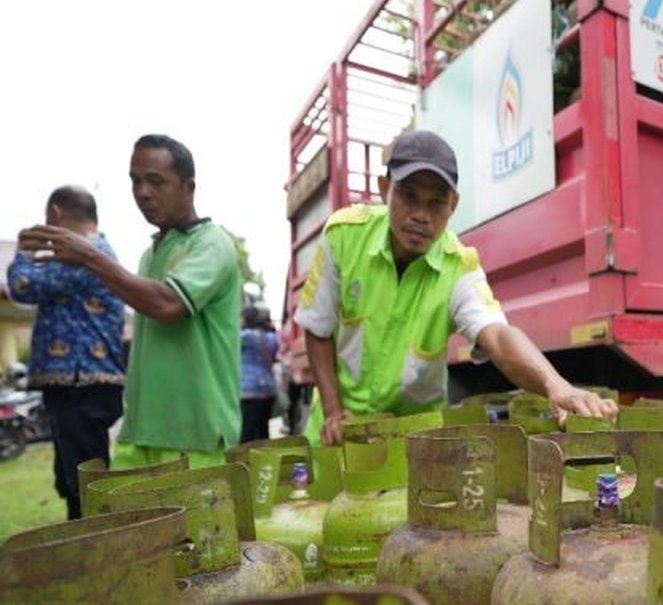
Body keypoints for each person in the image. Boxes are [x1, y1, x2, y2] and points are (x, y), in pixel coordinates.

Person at [295, 130, 616, 445]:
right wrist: (335, 411)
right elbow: (318, 328)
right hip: (337, 437)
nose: (421, 215)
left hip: (414, 442)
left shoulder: (459, 265)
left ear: (453, 205)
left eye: (436, 202)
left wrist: (556, 385)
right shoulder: (343, 236)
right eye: (408, 195)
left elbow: (498, 336)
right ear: (384, 189)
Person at [18, 135, 241, 468]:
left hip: (196, 436)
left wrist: (90, 256)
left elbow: (167, 305)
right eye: (135, 182)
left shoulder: (212, 243)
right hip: (141, 432)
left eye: (156, 181)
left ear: (188, 187)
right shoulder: (150, 255)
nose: (142, 193)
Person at [6, 186, 125, 519]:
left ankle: (97, 558)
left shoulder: (87, 252)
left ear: (56, 214)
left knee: (85, 488)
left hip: (81, 385)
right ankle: (88, 555)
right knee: (75, 481)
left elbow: (23, 286)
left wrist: (25, 251)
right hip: (78, 385)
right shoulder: (94, 252)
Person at [239, 305, 279, 443]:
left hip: (249, 389)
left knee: (247, 432)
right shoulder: (272, 338)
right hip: (269, 389)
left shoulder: (244, 337)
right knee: (263, 430)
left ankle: (245, 462)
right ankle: (265, 459)